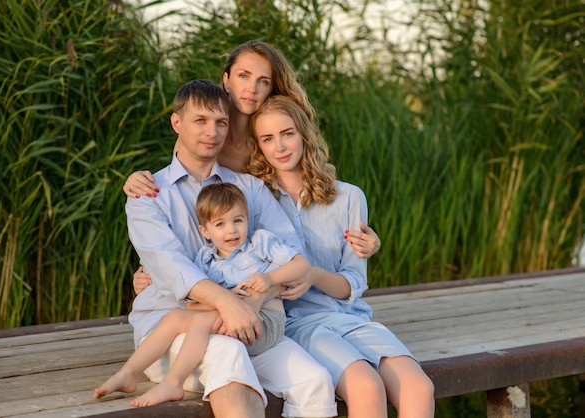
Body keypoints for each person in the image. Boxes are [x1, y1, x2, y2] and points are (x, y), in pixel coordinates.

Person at [120, 79, 337, 418]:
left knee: (316, 381)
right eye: (201, 121)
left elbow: (294, 253)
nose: (213, 131)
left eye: (221, 122)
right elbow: (170, 265)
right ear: (177, 123)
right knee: (228, 355)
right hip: (175, 332)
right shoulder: (148, 194)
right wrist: (227, 303)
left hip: (251, 319)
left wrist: (254, 299)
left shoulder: (248, 188)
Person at [246, 95, 435, 418]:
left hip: (351, 317)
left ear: (304, 133)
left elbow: (354, 283)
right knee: (366, 386)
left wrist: (313, 276)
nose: (280, 146)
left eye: (287, 133)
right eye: (268, 138)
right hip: (297, 323)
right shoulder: (254, 200)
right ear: (259, 146)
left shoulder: (348, 197)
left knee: (419, 387)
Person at [122, 40, 380, 260]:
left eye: (263, 81)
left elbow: (305, 188)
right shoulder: (207, 135)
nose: (251, 89)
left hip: (274, 244)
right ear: (226, 79)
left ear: (271, 88)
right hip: (219, 249)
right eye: (243, 76)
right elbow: (181, 193)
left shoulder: (272, 135)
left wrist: (368, 243)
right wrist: (136, 181)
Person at [94, 182, 307, 407]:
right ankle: (128, 373)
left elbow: (301, 265)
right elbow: (193, 304)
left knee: (200, 322)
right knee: (175, 317)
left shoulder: (259, 243)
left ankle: (173, 383)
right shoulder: (207, 260)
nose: (231, 230)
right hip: (229, 319)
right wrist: (226, 298)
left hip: (264, 322)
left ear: (247, 220)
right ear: (205, 231)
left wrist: (270, 279)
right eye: (220, 224)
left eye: (238, 220)